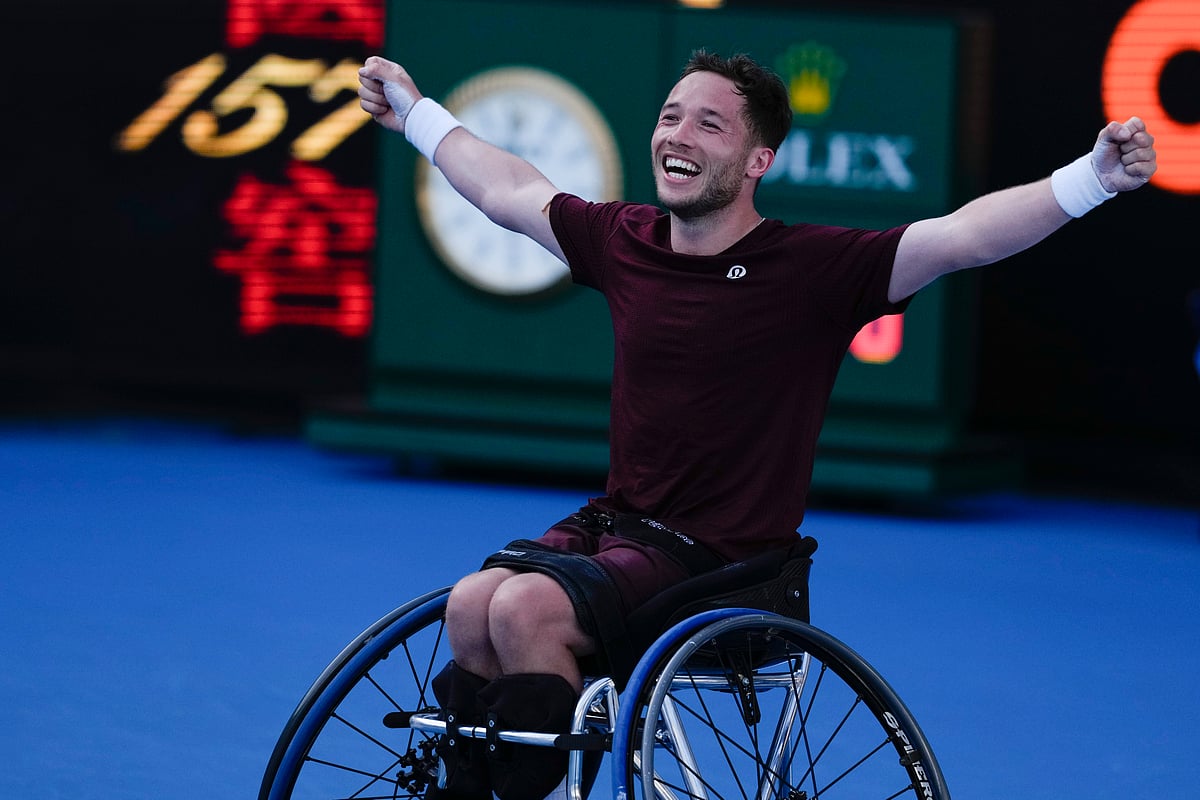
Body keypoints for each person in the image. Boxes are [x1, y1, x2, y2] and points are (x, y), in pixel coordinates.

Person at [358, 50, 1156, 800]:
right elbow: (506, 188)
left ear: (756, 162)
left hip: (729, 556)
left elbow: (964, 237)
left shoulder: (814, 270)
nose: (678, 134)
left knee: (523, 611)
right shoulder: (623, 239)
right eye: (671, 116)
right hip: (621, 526)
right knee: (472, 603)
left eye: (710, 123)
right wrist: (418, 114)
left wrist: (1093, 179)